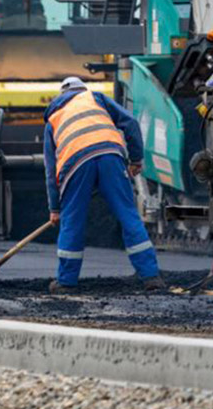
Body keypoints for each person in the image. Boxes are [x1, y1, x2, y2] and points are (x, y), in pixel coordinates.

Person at [43, 76, 164, 294]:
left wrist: (55, 208)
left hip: (75, 164)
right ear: (82, 89)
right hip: (110, 155)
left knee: (72, 221)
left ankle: (66, 282)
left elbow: (51, 171)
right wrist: (136, 159)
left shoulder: (53, 117)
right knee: (129, 216)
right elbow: (131, 123)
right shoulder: (96, 98)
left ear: (62, 95)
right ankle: (151, 277)